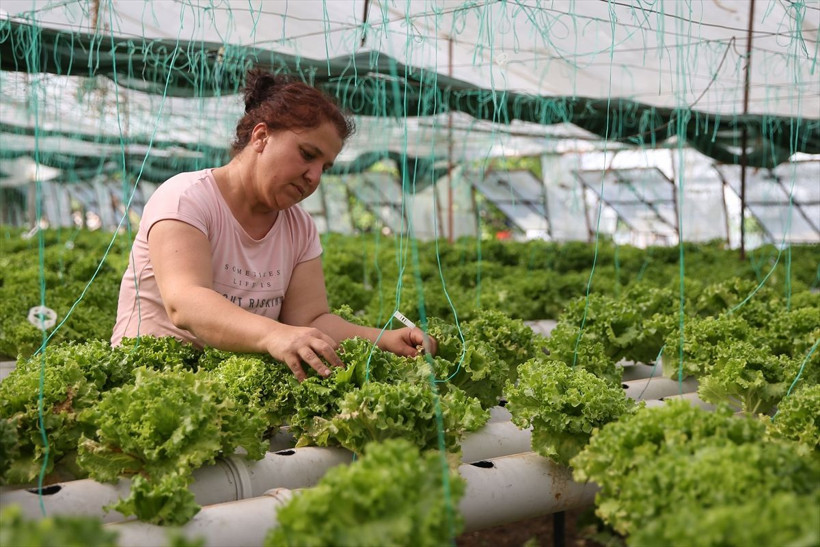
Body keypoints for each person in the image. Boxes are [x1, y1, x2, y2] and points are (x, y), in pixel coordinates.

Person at [111, 68, 433, 380]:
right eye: (308, 155)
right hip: (149, 380)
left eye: (326, 167)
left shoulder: (300, 228)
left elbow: (310, 319)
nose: (315, 176)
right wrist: (274, 335)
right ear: (261, 137)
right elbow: (185, 302)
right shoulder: (186, 199)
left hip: (228, 392)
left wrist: (384, 339)